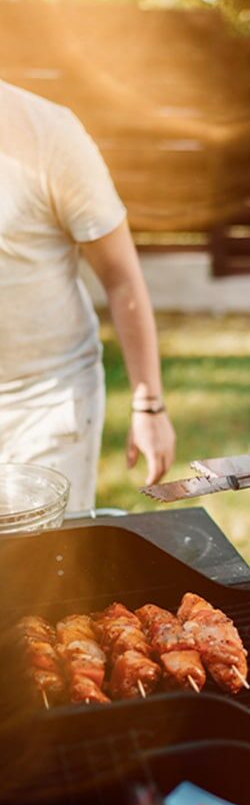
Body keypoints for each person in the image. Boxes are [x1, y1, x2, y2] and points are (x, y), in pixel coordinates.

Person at [0, 80, 175, 512]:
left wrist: (148, 404)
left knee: (34, 568)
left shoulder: (50, 134)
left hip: (44, 399)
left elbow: (121, 278)